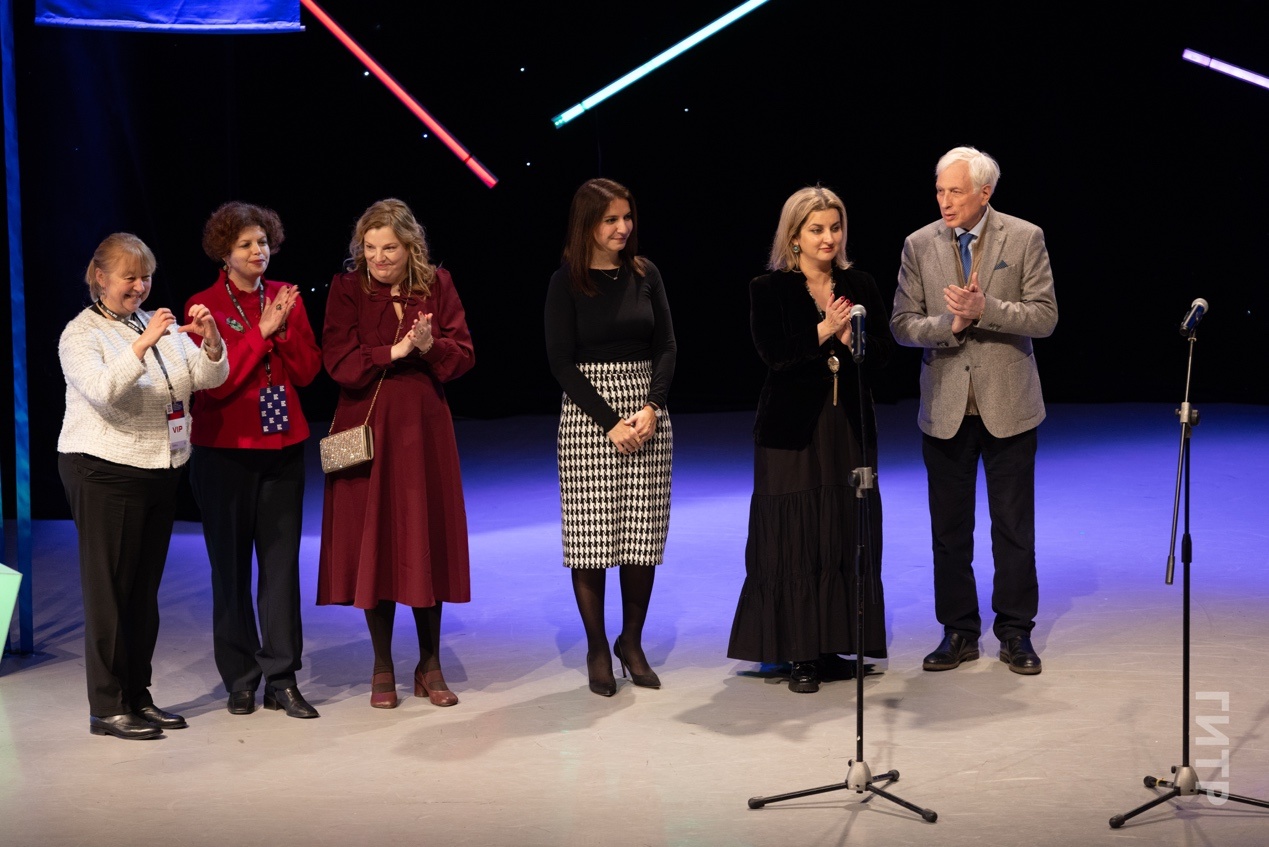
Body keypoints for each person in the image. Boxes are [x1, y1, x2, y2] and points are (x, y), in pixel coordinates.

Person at [890, 146, 1058, 675]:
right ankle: (958, 631)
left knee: (1013, 528)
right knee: (949, 531)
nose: (944, 201)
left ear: (985, 193)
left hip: (1009, 406)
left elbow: (1045, 317)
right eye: (939, 190)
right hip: (945, 408)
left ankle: (1015, 631)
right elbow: (902, 324)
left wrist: (987, 309)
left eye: (955, 191)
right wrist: (951, 325)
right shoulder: (919, 244)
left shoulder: (1024, 237)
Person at [58, 233, 229, 739]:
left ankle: (137, 695)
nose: (140, 286)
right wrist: (144, 342)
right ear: (100, 278)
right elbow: (103, 391)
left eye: (146, 276)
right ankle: (107, 706)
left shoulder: (154, 323)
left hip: (159, 468)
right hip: (103, 470)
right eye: (129, 277)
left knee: (142, 594)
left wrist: (211, 341)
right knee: (109, 592)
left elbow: (204, 378)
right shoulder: (80, 333)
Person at [726, 186, 892, 694]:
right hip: (792, 431)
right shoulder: (769, 288)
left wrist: (852, 339)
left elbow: (883, 358)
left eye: (835, 228)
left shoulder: (859, 283)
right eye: (816, 229)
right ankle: (799, 652)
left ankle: (831, 646)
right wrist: (824, 330)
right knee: (796, 535)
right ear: (794, 236)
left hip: (847, 427)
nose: (828, 238)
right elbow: (774, 355)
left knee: (841, 528)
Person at [318, 198, 474, 709]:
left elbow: (463, 356)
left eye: (389, 248)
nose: (378, 258)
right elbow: (337, 360)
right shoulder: (347, 289)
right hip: (366, 428)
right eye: (370, 248)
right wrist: (395, 351)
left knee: (424, 536)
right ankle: (382, 663)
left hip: (423, 431)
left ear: (410, 247)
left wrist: (428, 346)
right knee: (376, 541)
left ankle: (430, 663)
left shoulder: (437, 285)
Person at [185, 202, 323, 719]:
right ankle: (240, 678)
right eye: (245, 244)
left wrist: (281, 329)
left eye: (262, 242)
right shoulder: (203, 305)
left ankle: (282, 678)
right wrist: (260, 332)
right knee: (230, 569)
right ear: (224, 253)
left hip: (282, 447)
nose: (257, 251)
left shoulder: (286, 297)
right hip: (224, 452)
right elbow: (213, 385)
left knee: (281, 567)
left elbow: (308, 372)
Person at [545, 178, 676, 697]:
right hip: (589, 417)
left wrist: (652, 406)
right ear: (587, 225)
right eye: (610, 220)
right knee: (591, 541)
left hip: (646, 414)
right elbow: (561, 363)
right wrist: (609, 421)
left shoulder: (646, 273)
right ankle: (598, 647)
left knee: (642, 538)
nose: (623, 228)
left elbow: (667, 345)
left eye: (627, 217)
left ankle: (632, 643)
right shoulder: (566, 282)